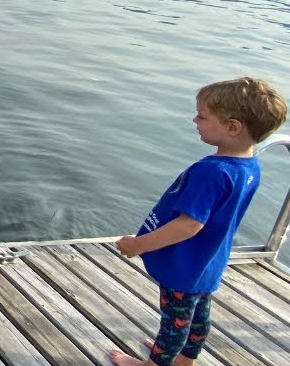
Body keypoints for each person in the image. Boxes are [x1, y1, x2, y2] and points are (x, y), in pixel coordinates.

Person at [110, 77, 286, 366]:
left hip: (185, 264)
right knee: (197, 316)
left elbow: (189, 225)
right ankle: (183, 360)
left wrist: (138, 244)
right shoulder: (249, 167)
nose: (195, 119)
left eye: (203, 116)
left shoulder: (212, 171)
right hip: (209, 261)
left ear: (232, 127)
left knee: (174, 322)